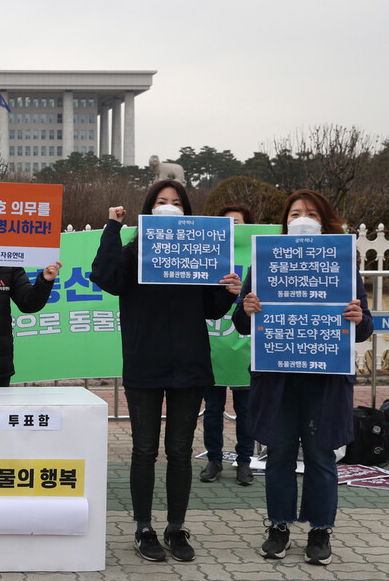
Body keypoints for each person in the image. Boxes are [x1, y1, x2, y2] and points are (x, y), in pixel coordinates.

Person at [89, 180, 241, 563]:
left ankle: (176, 527)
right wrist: (112, 228)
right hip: (145, 362)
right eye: (161, 202)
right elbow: (105, 277)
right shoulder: (134, 251)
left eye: (175, 203)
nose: (169, 208)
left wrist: (228, 292)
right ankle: (143, 528)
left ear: (186, 213)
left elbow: (210, 307)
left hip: (190, 365)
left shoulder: (199, 253)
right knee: (143, 450)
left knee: (179, 450)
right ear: (149, 210)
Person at [232, 189, 372, 566]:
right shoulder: (264, 262)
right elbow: (242, 324)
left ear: (324, 222)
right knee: (278, 456)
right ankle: (278, 526)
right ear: (285, 222)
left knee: (320, 457)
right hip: (277, 380)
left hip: (324, 382)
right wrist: (247, 309)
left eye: (310, 213)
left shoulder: (342, 264)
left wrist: (358, 319)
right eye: (295, 213)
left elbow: (364, 328)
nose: (302, 219)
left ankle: (319, 531)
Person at [201, 204, 257, 486]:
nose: (232, 229)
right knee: (212, 408)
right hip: (214, 344)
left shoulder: (259, 256)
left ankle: (245, 461)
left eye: (238, 223)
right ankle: (214, 459)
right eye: (226, 224)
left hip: (246, 343)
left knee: (246, 410)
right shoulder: (206, 255)